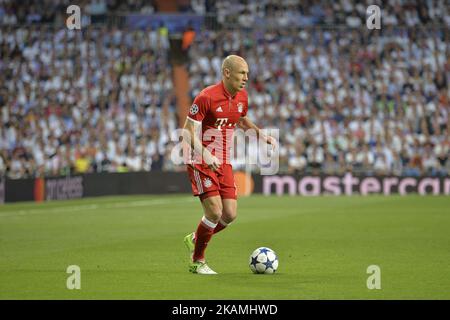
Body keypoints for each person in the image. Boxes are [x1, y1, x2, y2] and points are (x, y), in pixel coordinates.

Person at [182, 55, 276, 274]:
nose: (246, 78)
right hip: (200, 160)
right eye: (242, 73)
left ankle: (195, 238)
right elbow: (186, 133)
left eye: (247, 74)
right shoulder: (206, 97)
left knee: (230, 214)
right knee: (214, 212)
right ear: (227, 73)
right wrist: (206, 155)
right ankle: (197, 261)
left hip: (223, 160)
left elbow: (241, 120)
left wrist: (261, 135)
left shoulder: (242, 97)